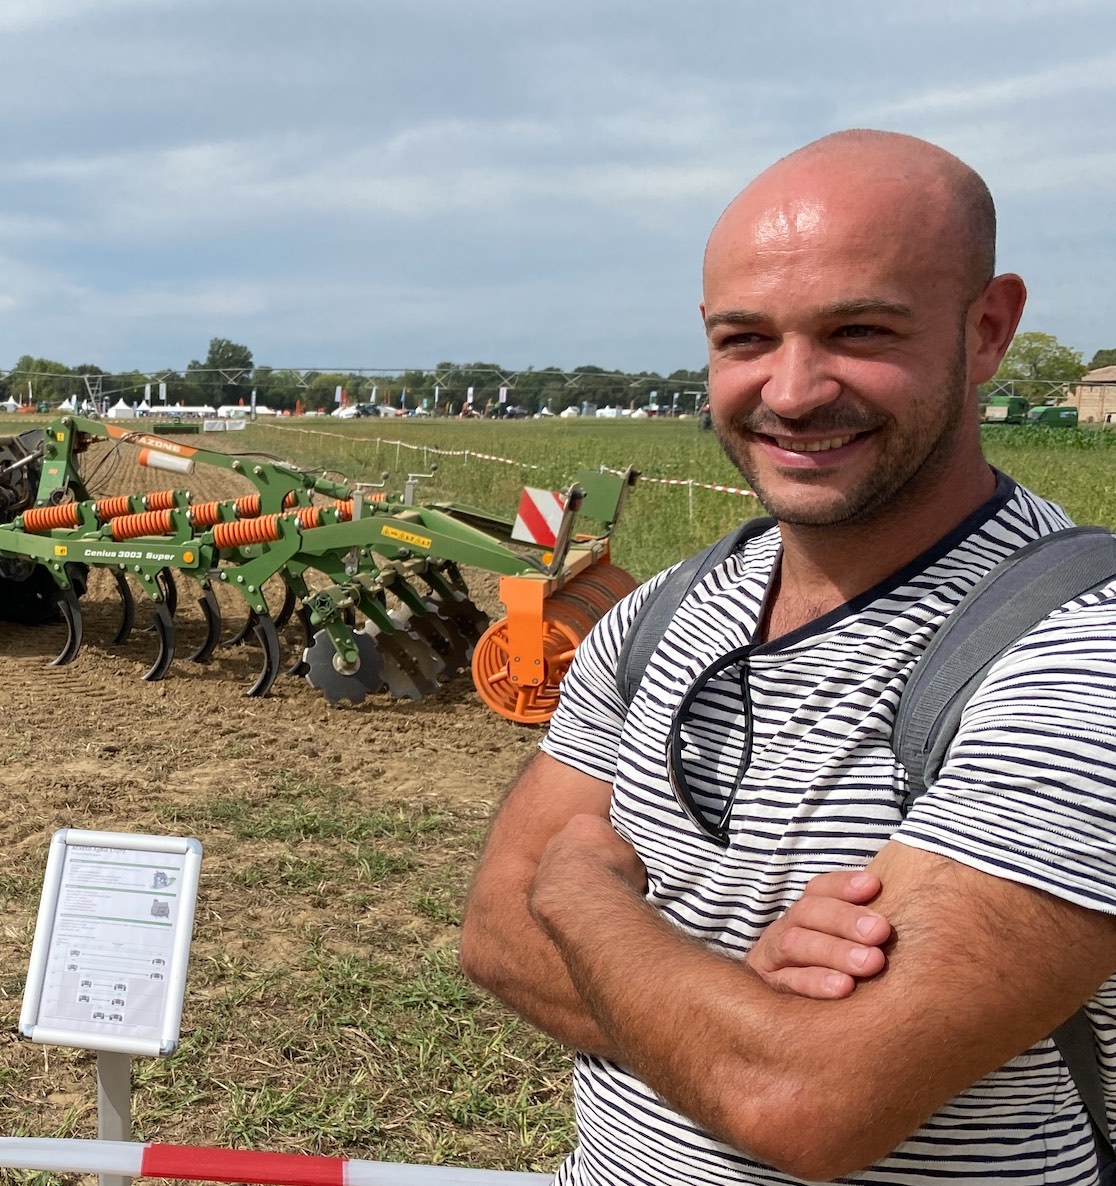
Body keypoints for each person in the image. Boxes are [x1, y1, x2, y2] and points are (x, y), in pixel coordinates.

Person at [460, 129, 1116, 1184]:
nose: (794, 389)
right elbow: (494, 931)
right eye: (745, 338)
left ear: (985, 328)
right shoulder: (660, 616)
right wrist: (738, 1005)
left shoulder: (1074, 650)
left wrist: (582, 895)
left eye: (858, 329)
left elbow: (805, 1100)